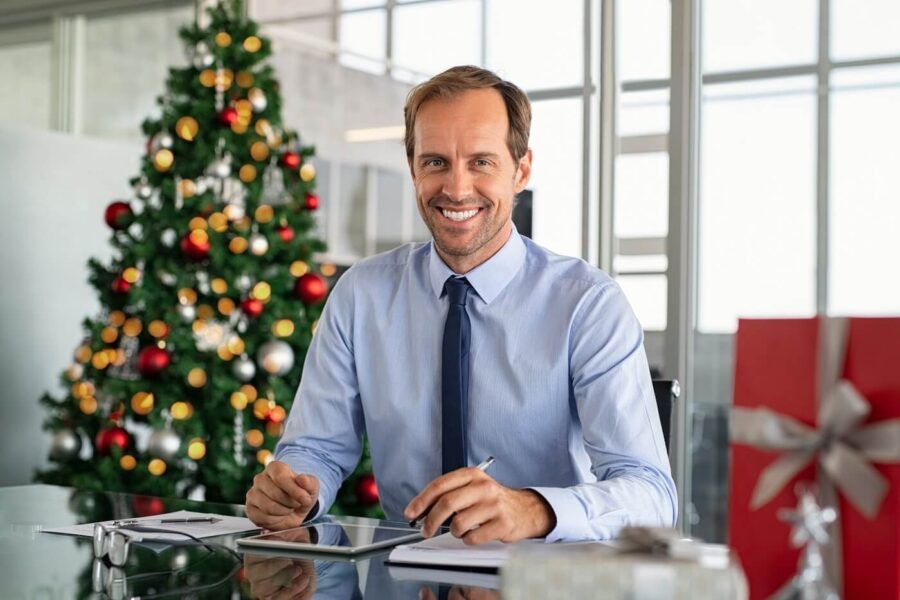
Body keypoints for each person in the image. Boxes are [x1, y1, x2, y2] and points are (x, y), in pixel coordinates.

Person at [245, 65, 676, 543]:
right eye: (435, 163)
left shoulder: (588, 305)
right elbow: (316, 452)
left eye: (481, 162)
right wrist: (295, 490)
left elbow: (652, 495)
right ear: (412, 169)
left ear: (522, 171)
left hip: (540, 580)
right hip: (404, 578)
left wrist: (534, 509)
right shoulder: (360, 295)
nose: (455, 188)